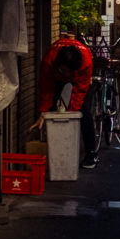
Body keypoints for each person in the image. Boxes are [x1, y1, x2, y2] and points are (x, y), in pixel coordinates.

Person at [35, 33, 99, 169]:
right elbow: (46, 89)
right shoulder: (48, 61)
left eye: (69, 73)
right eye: (64, 71)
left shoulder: (86, 62)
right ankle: (54, 151)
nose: (66, 76)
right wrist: (43, 112)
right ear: (58, 65)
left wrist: (72, 117)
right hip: (55, 76)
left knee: (83, 111)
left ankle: (91, 154)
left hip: (80, 78)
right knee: (50, 108)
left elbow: (79, 93)